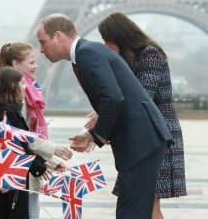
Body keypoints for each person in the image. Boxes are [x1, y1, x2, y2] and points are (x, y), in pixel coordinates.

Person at [36, 13, 173, 219]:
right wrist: (93, 134)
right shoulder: (88, 51)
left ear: (58, 36)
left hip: (140, 141)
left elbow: (113, 97)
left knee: (131, 212)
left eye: (42, 42)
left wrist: (96, 134)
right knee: (135, 211)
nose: (41, 49)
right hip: (143, 140)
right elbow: (114, 97)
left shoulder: (86, 53)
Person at [96, 12, 187, 219]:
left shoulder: (150, 54)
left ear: (119, 35)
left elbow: (142, 96)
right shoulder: (131, 58)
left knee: (148, 203)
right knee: (145, 202)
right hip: (144, 135)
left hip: (157, 135)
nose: (105, 44)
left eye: (107, 39)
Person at [0, 42, 72, 219]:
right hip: (23, 167)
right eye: (31, 62)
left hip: (28, 164)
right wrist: (52, 153)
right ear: (16, 64)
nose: (36, 66)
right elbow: (25, 137)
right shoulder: (16, 103)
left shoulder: (27, 93)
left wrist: (50, 159)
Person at [0, 66, 51, 219]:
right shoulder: (7, 112)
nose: (25, 87)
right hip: (11, 177)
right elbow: (17, 145)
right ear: (11, 86)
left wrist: (41, 162)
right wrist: (38, 165)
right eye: (22, 83)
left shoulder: (8, 110)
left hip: (15, 174)